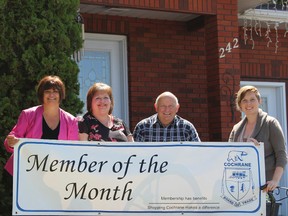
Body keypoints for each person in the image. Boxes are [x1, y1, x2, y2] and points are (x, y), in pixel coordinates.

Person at [3, 75, 79, 176]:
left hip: (57, 174)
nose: (51, 95)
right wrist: (11, 142)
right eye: (47, 91)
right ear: (41, 94)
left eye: (55, 91)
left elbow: (73, 150)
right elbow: (12, 140)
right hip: (26, 171)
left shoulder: (71, 121)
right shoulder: (28, 114)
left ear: (61, 95)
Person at [229, 85, 287, 192]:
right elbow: (228, 155)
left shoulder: (271, 123)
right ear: (240, 105)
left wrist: (275, 181)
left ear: (259, 101)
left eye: (252, 100)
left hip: (264, 186)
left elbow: (282, 155)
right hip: (240, 185)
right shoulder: (236, 129)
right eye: (244, 100)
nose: (248, 104)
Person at [133, 91, 200, 142]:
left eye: (171, 106)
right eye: (163, 106)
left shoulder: (187, 128)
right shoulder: (142, 127)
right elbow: (135, 154)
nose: (167, 110)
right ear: (156, 107)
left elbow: (198, 153)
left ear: (177, 108)